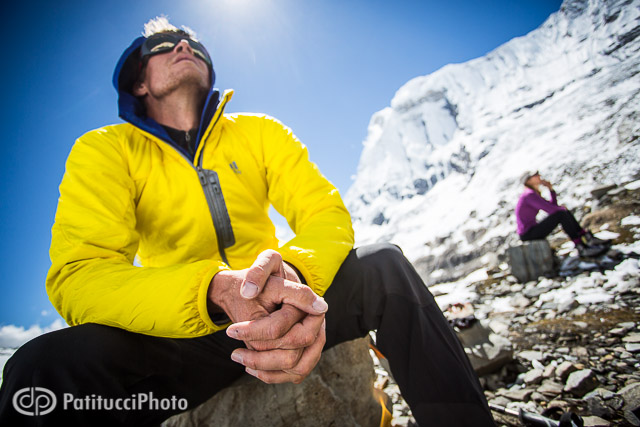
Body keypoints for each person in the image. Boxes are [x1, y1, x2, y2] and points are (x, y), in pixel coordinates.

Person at [0, 18, 495, 426]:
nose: (183, 46)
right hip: (187, 333)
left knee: (384, 266)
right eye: (162, 45)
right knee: (41, 371)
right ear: (139, 81)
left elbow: (324, 211)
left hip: (288, 302)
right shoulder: (104, 151)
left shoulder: (260, 133)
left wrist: (298, 278)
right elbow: (81, 272)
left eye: (193, 42)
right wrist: (213, 291)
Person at [515, 171, 610, 257]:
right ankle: (581, 246)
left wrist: (551, 190)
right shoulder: (529, 195)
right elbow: (552, 210)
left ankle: (586, 238)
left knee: (563, 212)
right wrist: (561, 209)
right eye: (535, 175)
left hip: (531, 230)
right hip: (528, 234)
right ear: (528, 181)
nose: (539, 176)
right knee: (562, 213)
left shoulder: (531, 193)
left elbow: (552, 206)